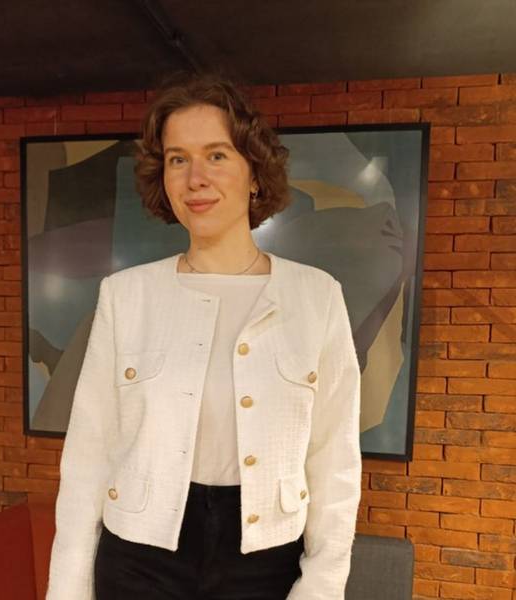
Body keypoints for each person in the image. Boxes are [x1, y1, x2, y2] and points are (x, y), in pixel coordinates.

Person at [46, 71, 362, 600]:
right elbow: (88, 455)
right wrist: (68, 590)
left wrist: (322, 587)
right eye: (178, 159)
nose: (195, 177)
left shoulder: (317, 297)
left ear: (254, 173)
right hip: (140, 557)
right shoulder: (126, 296)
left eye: (216, 155)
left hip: (263, 559)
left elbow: (335, 461)